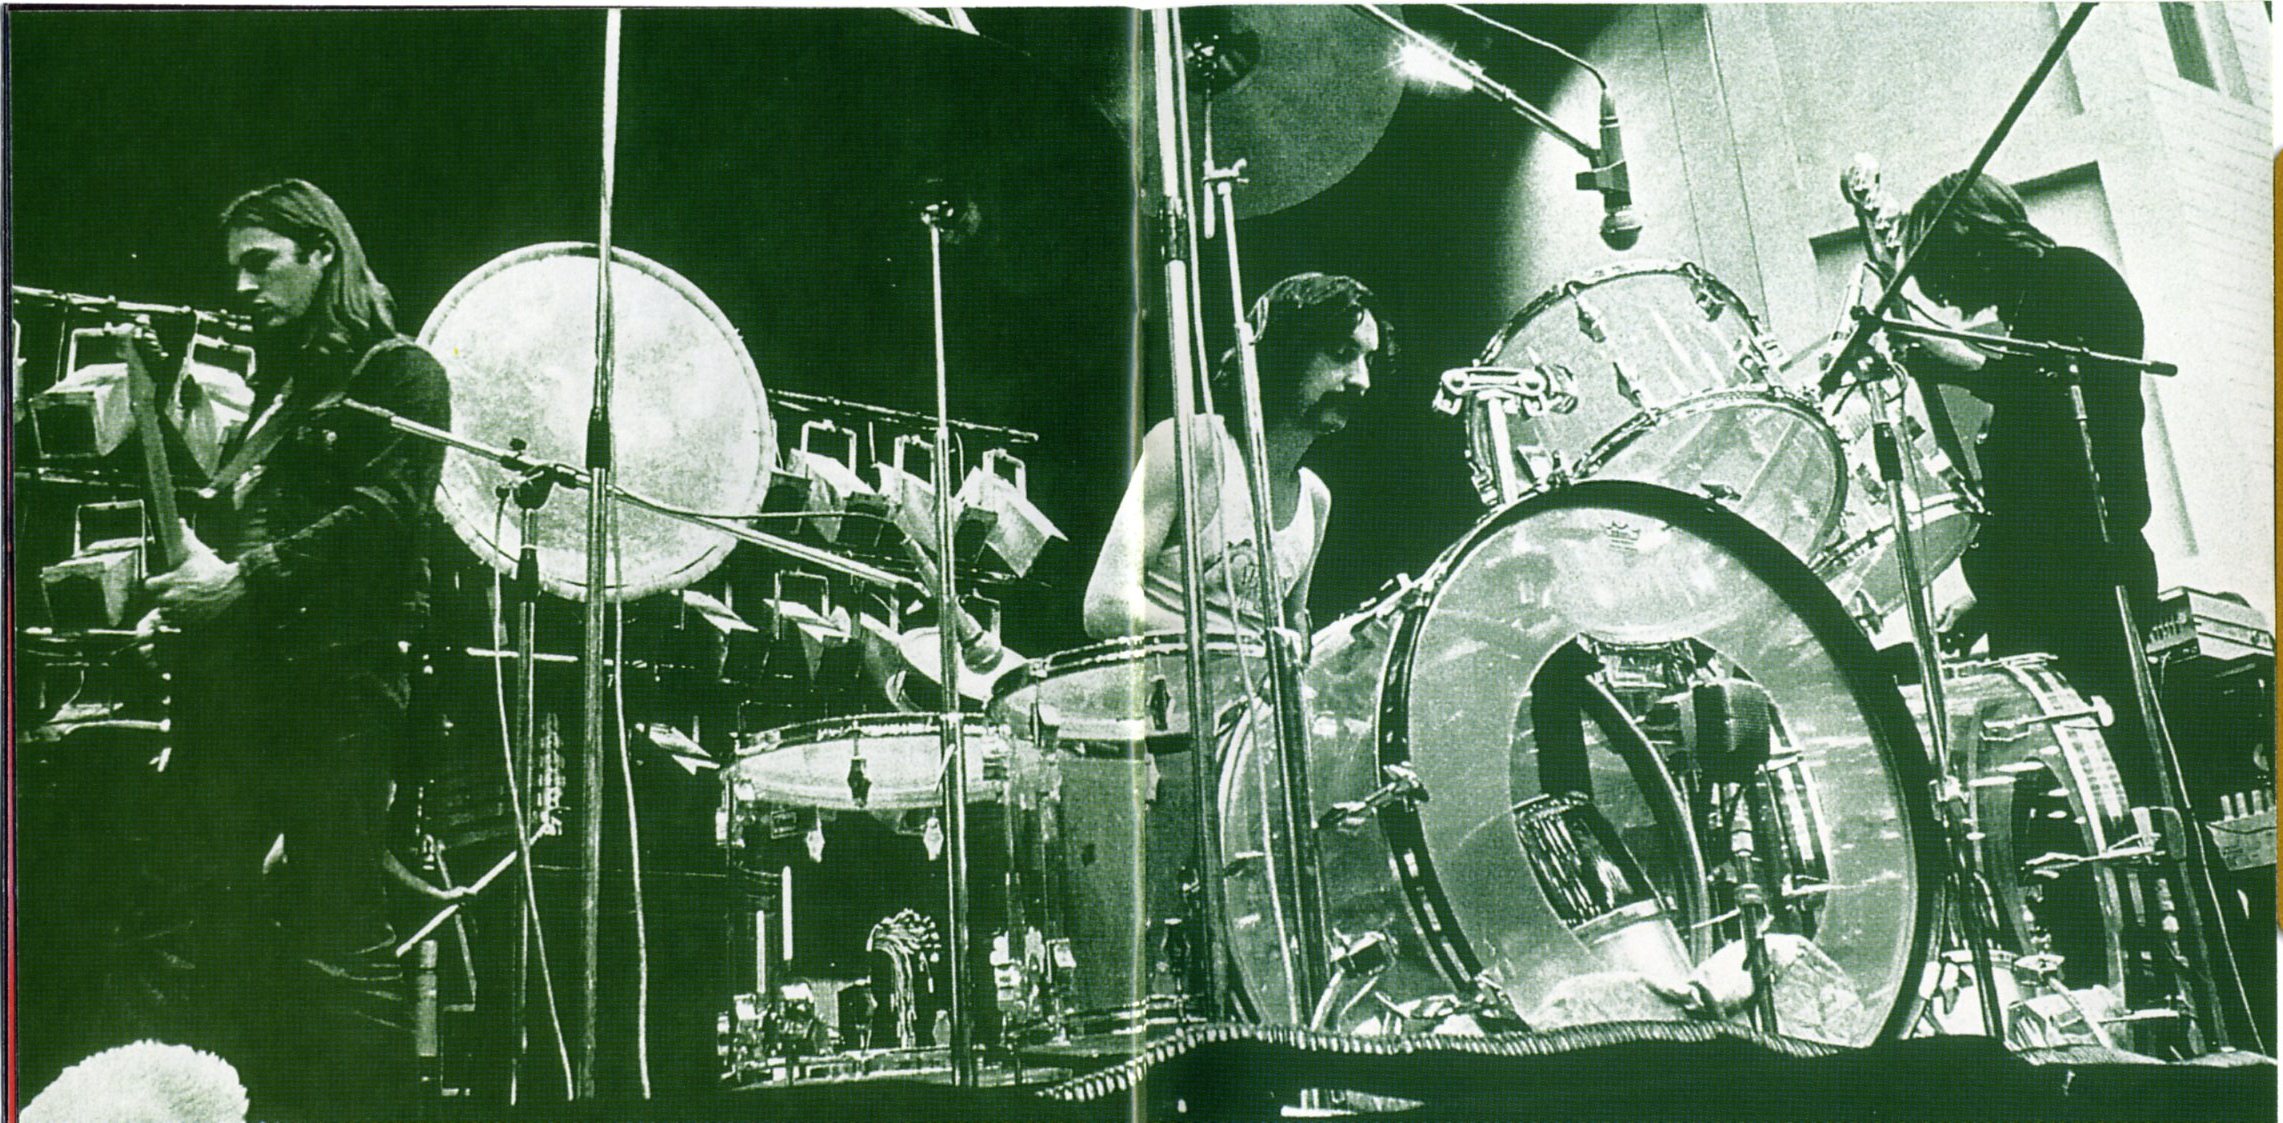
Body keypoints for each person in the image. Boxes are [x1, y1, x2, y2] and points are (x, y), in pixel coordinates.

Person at [131, 179, 451, 1118]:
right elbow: (245, 533)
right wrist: (188, 600)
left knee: (336, 935)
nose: (241, 285)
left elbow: (383, 517)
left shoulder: (401, 374)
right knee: (192, 928)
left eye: (261, 262)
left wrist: (241, 582)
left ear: (324, 254)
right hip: (237, 694)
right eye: (233, 267)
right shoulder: (281, 394)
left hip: (336, 691)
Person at [1899, 170, 2161, 799]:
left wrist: (1962, 363)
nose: (1950, 298)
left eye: (1945, 272)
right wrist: (1986, 598)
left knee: (2120, 784)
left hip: (2092, 581)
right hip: (2055, 586)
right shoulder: (2030, 313)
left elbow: (2063, 400)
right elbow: (2040, 489)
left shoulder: (2074, 276)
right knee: (2062, 792)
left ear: (1973, 242)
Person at [1083, 272, 1387, 644]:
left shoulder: (1315, 500)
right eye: (1342, 354)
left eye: (1369, 360)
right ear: (1288, 350)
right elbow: (1106, 606)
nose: (1361, 380)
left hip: (1246, 683)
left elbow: (1292, 631)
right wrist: (1241, 647)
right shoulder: (1190, 446)